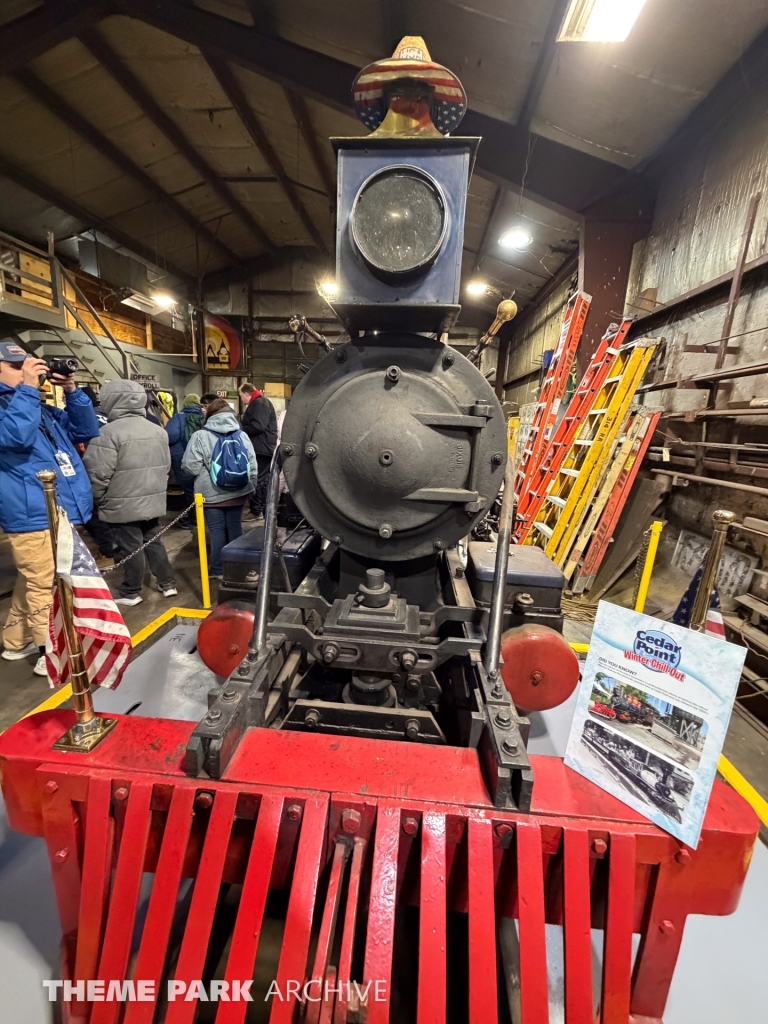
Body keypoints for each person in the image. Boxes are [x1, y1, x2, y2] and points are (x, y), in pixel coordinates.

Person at [0, 341, 100, 676]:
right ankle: (52, 652)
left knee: (32, 578)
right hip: (31, 515)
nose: (26, 371)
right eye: (15, 366)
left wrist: (73, 392)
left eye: (27, 365)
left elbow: (86, 429)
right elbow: (15, 437)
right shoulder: (17, 405)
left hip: (56, 510)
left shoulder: (34, 406)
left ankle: (15, 642)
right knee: (45, 583)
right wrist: (28, 388)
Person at [83, 378, 176, 607]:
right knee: (153, 541)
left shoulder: (106, 433)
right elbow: (166, 467)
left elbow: (97, 474)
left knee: (130, 546)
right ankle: (168, 584)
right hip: (151, 499)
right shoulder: (158, 431)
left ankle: (131, 591)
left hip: (121, 502)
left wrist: (98, 499)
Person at [181, 398, 258, 579]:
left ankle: (217, 570)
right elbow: (252, 464)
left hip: (211, 494)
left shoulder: (200, 436)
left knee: (216, 531)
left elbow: (190, 466)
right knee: (234, 527)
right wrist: (251, 486)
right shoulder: (242, 435)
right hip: (239, 490)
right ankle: (236, 568)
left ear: (209, 414)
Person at [238, 383, 277, 518]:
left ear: (247, 393)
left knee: (258, 479)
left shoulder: (259, 404)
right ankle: (261, 510)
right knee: (261, 479)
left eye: (241, 396)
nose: (241, 399)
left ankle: (257, 511)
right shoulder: (260, 403)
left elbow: (258, 426)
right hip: (262, 447)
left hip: (261, 448)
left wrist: (241, 429)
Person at [165, 393, 204, 528]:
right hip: (202, 458)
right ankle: (201, 517)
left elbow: (169, 436)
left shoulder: (178, 418)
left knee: (189, 489)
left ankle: (194, 520)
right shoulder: (204, 417)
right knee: (201, 488)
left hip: (182, 457)